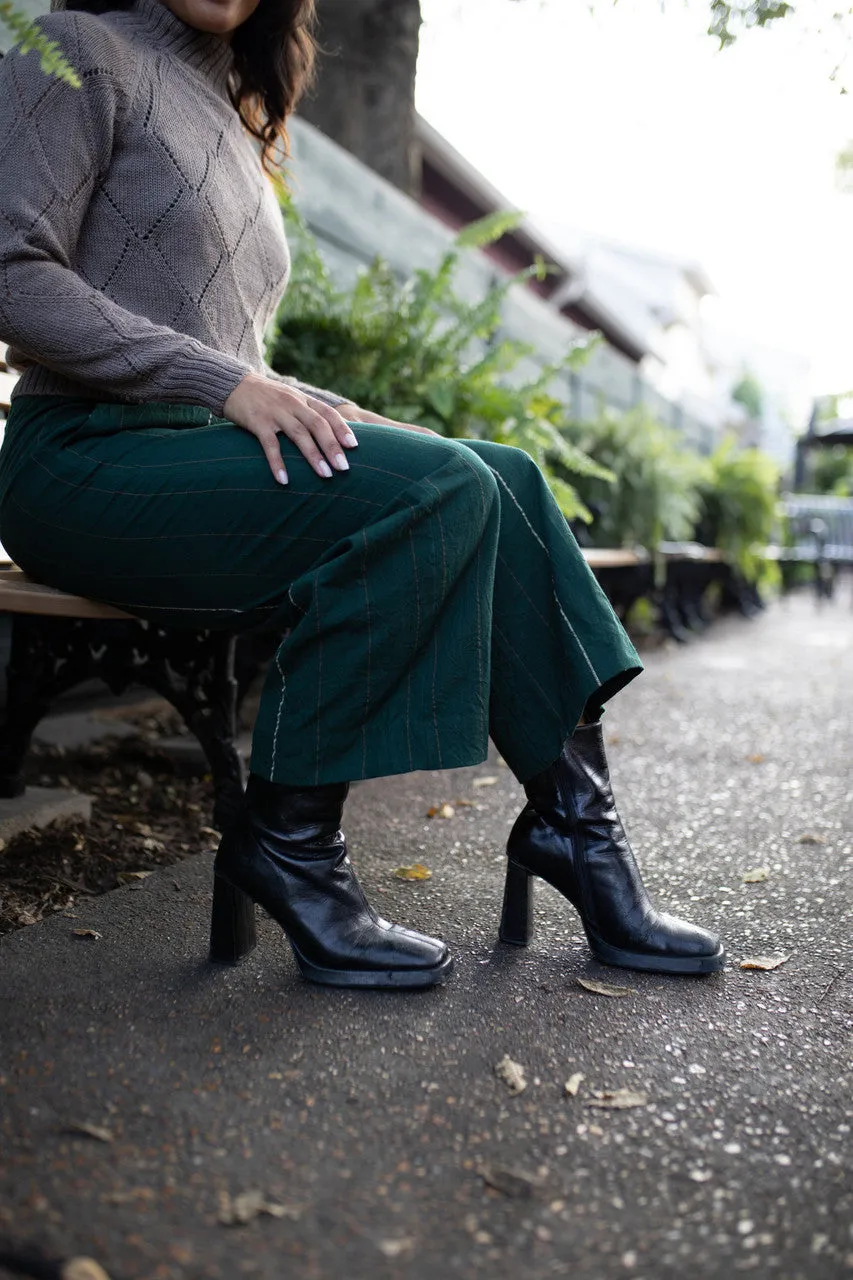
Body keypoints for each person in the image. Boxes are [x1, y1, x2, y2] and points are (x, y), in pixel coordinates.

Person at [0, 0, 725, 990]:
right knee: (435, 491)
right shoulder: (79, 51)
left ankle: (575, 828)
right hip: (81, 461)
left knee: (498, 474)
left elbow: (243, 363)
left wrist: (371, 423)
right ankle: (289, 844)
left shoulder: (230, 106)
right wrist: (226, 386)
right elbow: (13, 275)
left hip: (189, 458)